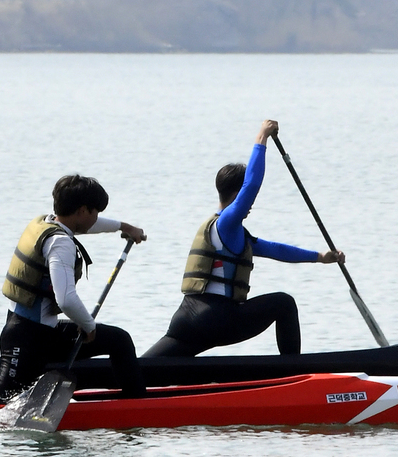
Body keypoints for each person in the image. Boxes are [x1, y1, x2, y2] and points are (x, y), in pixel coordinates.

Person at [143, 118, 344, 358]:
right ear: (237, 195)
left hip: (186, 320)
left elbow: (275, 249)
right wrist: (262, 137)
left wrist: (320, 257)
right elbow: (252, 185)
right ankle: (293, 370)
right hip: (217, 318)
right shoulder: (228, 222)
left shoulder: (225, 232)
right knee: (284, 304)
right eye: (244, 199)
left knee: (146, 368)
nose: (250, 206)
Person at [0, 173, 148, 400]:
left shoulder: (45, 223)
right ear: (82, 211)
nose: (96, 218)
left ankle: (135, 401)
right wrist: (88, 326)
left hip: (33, 332)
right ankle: (137, 407)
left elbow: (88, 225)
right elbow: (66, 299)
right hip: (28, 341)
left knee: (118, 340)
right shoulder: (61, 243)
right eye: (95, 212)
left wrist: (124, 227)